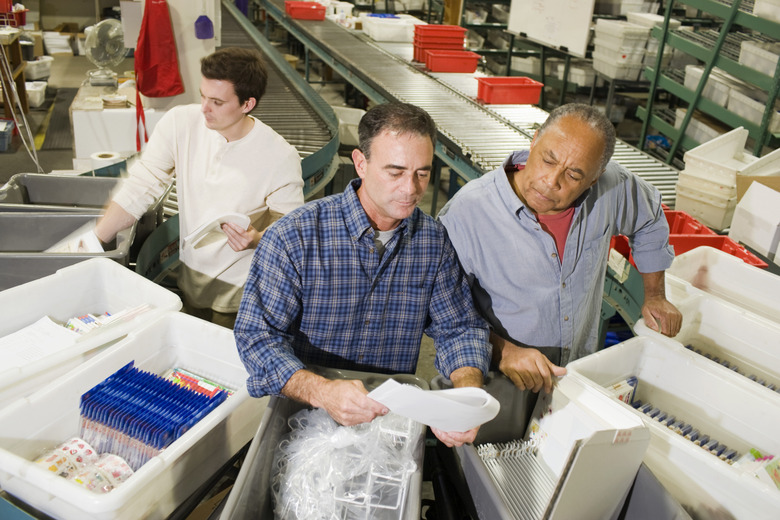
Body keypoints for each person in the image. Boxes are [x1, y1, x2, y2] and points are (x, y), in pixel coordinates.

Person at [234, 102, 492, 447]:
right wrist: (322, 391)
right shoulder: (295, 237)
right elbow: (256, 336)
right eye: (395, 172)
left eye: (422, 173)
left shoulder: (432, 241)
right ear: (361, 162)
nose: (411, 189)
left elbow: (458, 327)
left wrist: (466, 397)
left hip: (385, 420)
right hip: (303, 418)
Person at [438, 103, 682, 424]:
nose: (551, 181)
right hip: (496, 376)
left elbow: (650, 217)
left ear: (595, 179)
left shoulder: (612, 190)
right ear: (534, 140)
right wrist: (503, 350)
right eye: (548, 159)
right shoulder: (467, 213)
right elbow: (441, 310)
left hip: (576, 372)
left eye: (573, 174)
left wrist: (655, 295)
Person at [95, 47, 304, 327]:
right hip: (191, 278)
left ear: (247, 104)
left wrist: (256, 239)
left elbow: (290, 230)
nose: (204, 108)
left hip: (243, 292)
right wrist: (92, 243)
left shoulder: (279, 155)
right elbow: (142, 184)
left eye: (217, 102)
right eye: (203, 95)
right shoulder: (181, 123)